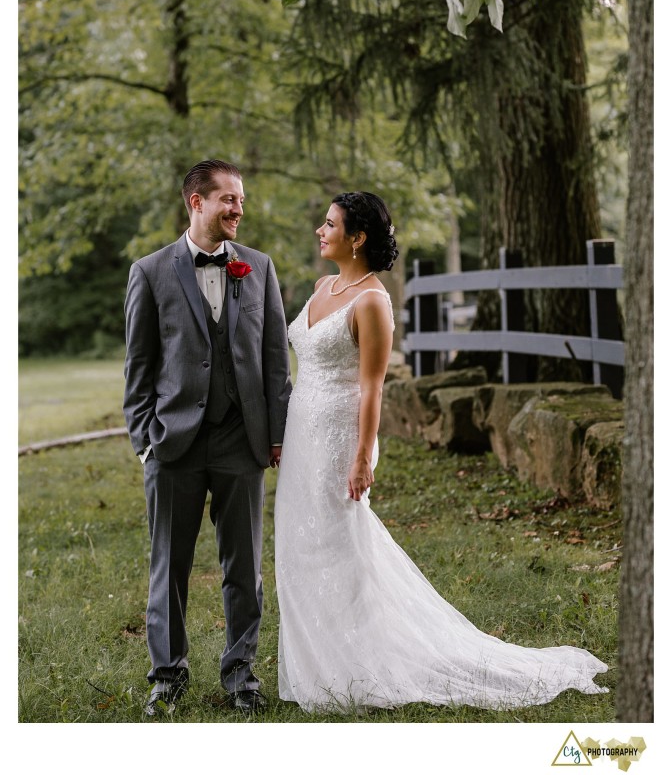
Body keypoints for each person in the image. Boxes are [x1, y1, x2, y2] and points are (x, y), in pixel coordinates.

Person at [274, 190, 608, 713]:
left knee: (342, 544)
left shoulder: (372, 301)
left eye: (330, 223)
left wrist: (363, 456)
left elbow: (372, 388)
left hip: (341, 437)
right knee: (301, 545)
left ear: (356, 238)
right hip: (302, 435)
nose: (320, 230)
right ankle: (316, 660)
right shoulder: (322, 287)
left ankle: (360, 660)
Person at [123, 159, 291, 717]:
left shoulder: (260, 268)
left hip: (242, 441)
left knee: (244, 566)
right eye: (229, 200)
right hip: (173, 442)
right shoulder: (149, 272)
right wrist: (145, 436)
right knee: (168, 564)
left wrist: (276, 434)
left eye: (241, 200)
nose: (239, 208)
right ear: (196, 202)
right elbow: (139, 367)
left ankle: (240, 672)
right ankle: (168, 676)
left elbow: (274, 362)